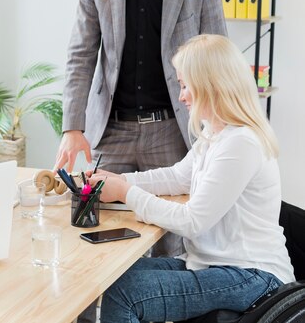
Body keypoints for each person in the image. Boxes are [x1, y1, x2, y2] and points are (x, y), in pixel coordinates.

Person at [89, 34, 295, 322]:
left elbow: (192, 221)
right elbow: (177, 177)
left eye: (187, 86)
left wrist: (125, 193)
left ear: (212, 87)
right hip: (212, 265)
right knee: (111, 275)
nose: (182, 96)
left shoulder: (241, 143)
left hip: (252, 275)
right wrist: (119, 179)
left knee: (123, 293)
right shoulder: (216, 133)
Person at [54, 0, 227, 183]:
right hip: (112, 133)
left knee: (172, 224)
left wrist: (220, 134)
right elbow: (80, 54)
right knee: (101, 220)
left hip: (173, 131)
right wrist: (72, 129)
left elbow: (218, 63)